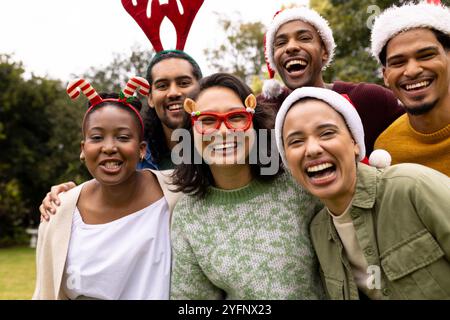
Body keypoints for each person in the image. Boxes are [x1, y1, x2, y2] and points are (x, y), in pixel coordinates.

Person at [274, 86, 450, 300]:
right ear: (288, 162)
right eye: (296, 141)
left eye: (327, 133)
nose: (312, 149)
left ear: (355, 143)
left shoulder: (411, 187)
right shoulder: (319, 232)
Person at [169, 73, 325, 299]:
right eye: (207, 121)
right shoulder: (187, 216)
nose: (223, 131)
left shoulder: (298, 182)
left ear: (255, 123)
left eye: (236, 117)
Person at [33, 78, 177, 299]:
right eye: (97, 137)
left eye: (123, 137)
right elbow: (46, 291)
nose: (109, 147)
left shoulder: (176, 193)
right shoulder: (58, 213)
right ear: (83, 149)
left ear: (141, 149)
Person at [39, 51, 202, 220]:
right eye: (162, 86)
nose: (173, 92)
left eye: (184, 83)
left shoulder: (219, 149)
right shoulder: (132, 155)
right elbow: (111, 197)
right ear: (151, 98)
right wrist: (72, 196)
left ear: (201, 90)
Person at [260, 5, 405, 156]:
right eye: (281, 43)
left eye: (304, 38)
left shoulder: (369, 99)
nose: (291, 47)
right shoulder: (263, 111)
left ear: (324, 51)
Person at [371, 1, 450, 175]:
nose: (412, 71)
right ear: (385, 75)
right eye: (398, 62)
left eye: (426, 55)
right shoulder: (386, 149)